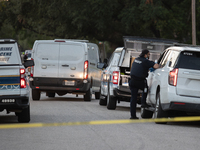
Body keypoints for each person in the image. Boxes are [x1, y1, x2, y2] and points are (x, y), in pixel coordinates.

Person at [129, 49, 159, 119]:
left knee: (133, 99)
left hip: (132, 81)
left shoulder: (136, 59)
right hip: (140, 82)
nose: (149, 56)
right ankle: (143, 103)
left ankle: (133, 116)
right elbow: (156, 66)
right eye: (148, 55)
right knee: (145, 89)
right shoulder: (145, 61)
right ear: (145, 55)